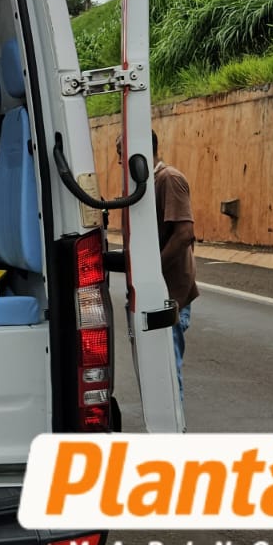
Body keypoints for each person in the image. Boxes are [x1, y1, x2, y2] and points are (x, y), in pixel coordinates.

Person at [117, 131, 198, 396]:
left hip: (167, 296)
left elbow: (184, 234)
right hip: (152, 294)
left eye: (121, 153)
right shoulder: (146, 185)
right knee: (155, 376)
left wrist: (151, 271)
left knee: (167, 378)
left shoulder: (169, 179)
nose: (119, 161)